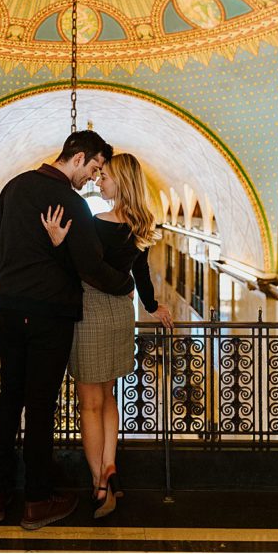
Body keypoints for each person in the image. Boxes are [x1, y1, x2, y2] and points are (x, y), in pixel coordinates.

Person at [0, 131, 135, 531]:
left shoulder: (14, 187)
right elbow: (90, 268)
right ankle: (36, 501)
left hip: (12, 313)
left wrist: (10, 285)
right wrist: (126, 286)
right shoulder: (71, 203)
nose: (93, 177)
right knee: (40, 406)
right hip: (50, 317)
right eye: (95, 168)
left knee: (9, 398)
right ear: (78, 157)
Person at [40, 152, 173, 518]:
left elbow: (81, 268)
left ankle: (100, 481)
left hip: (90, 309)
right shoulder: (141, 224)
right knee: (109, 397)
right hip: (120, 313)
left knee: (89, 403)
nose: (100, 181)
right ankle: (110, 465)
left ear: (122, 181)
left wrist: (57, 242)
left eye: (106, 177)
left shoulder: (95, 221)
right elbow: (141, 273)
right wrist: (152, 306)